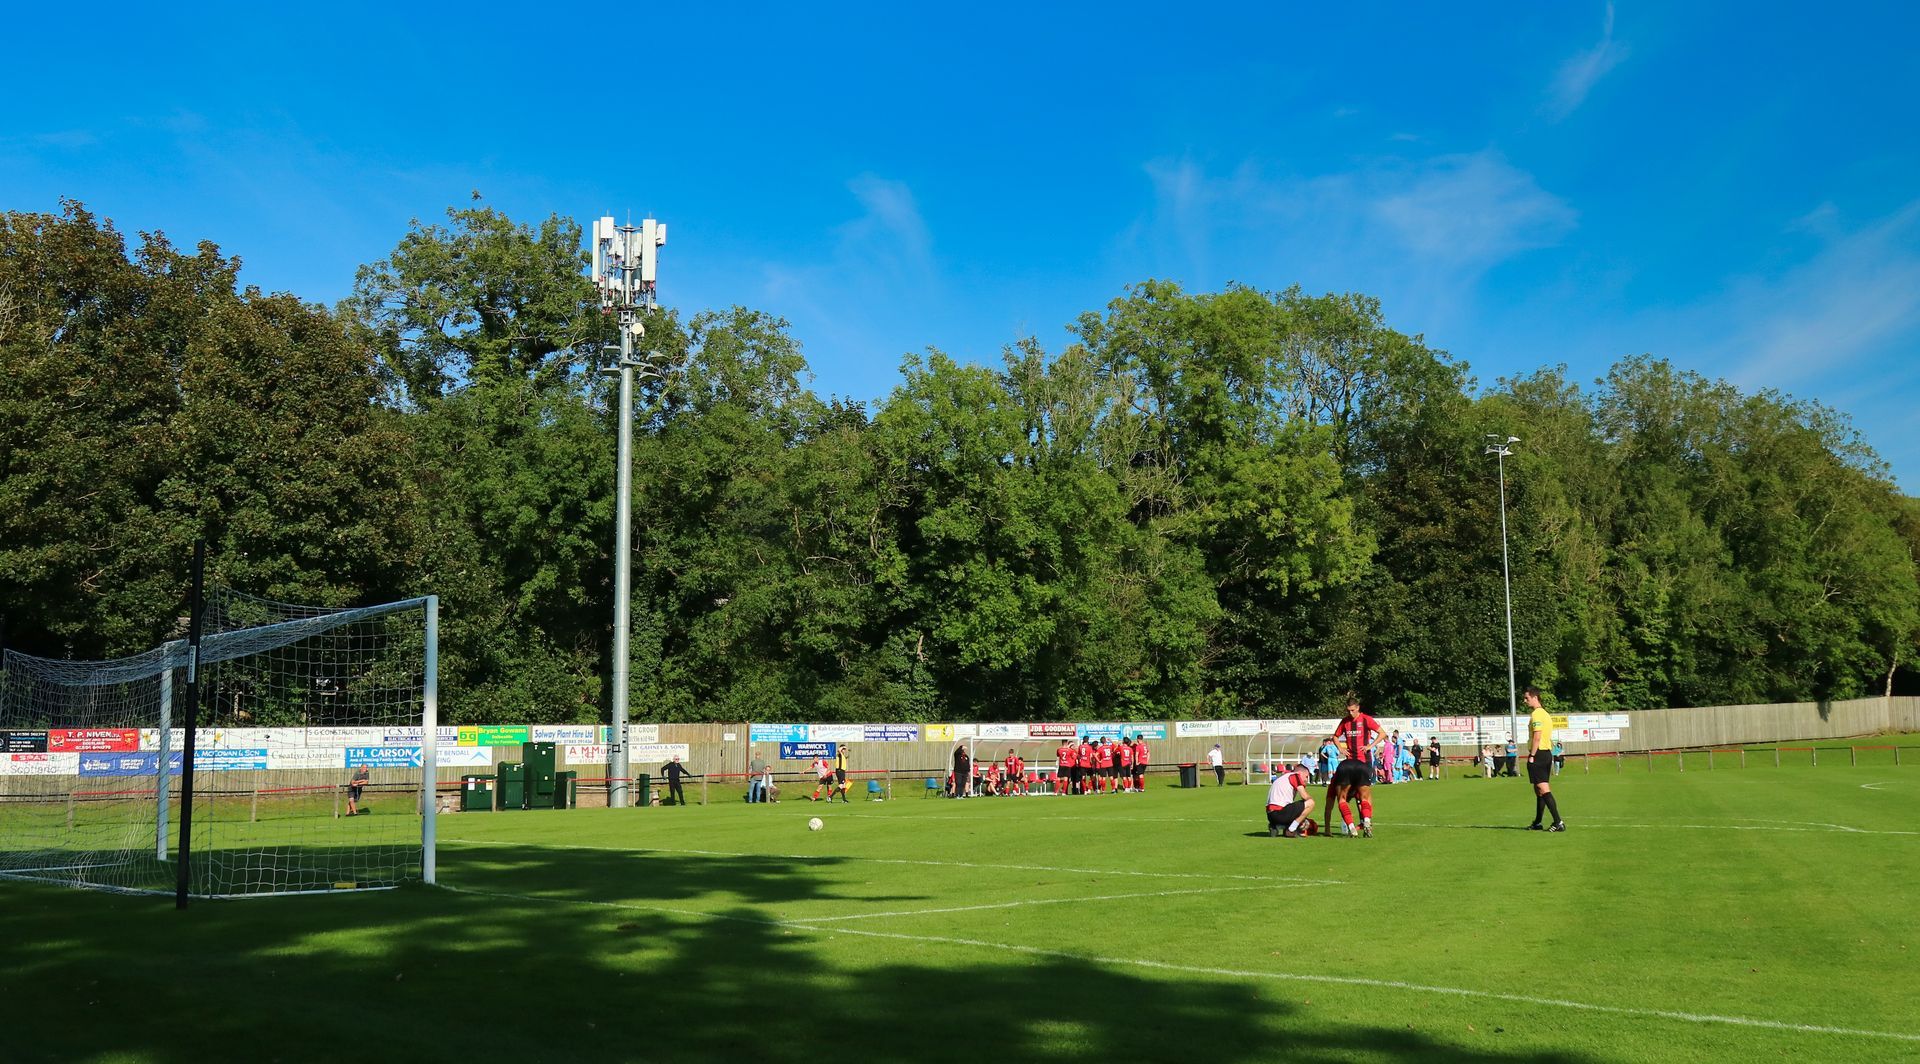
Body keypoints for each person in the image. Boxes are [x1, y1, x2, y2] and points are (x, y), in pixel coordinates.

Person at [1325, 694, 1383, 837]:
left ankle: (1366, 822)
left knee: (1364, 795)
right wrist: (1340, 748)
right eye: (1348, 710)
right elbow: (1335, 736)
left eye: (1352, 710)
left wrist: (1370, 745)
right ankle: (1364, 821)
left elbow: (1382, 733)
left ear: (1358, 708)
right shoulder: (1345, 721)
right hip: (1350, 763)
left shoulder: (1366, 719)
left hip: (1364, 762)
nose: (1350, 713)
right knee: (1355, 795)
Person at [1525, 687, 1567, 831]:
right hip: (1545, 752)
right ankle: (1537, 822)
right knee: (1538, 789)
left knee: (1543, 788)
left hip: (1539, 754)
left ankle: (1558, 822)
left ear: (1535, 697)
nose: (1525, 701)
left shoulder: (1537, 714)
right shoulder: (1545, 714)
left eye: (1527, 698)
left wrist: (1532, 755)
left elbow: (1537, 736)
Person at [1265, 761, 1317, 837]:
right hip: (1280, 812)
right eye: (1306, 776)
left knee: (1298, 814)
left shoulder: (1284, 777)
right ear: (1300, 773)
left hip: (1270, 815)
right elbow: (1304, 796)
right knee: (1310, 803)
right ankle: (1291, 830)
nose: (1306, 780)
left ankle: (1275, 826)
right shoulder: (1295, 776)